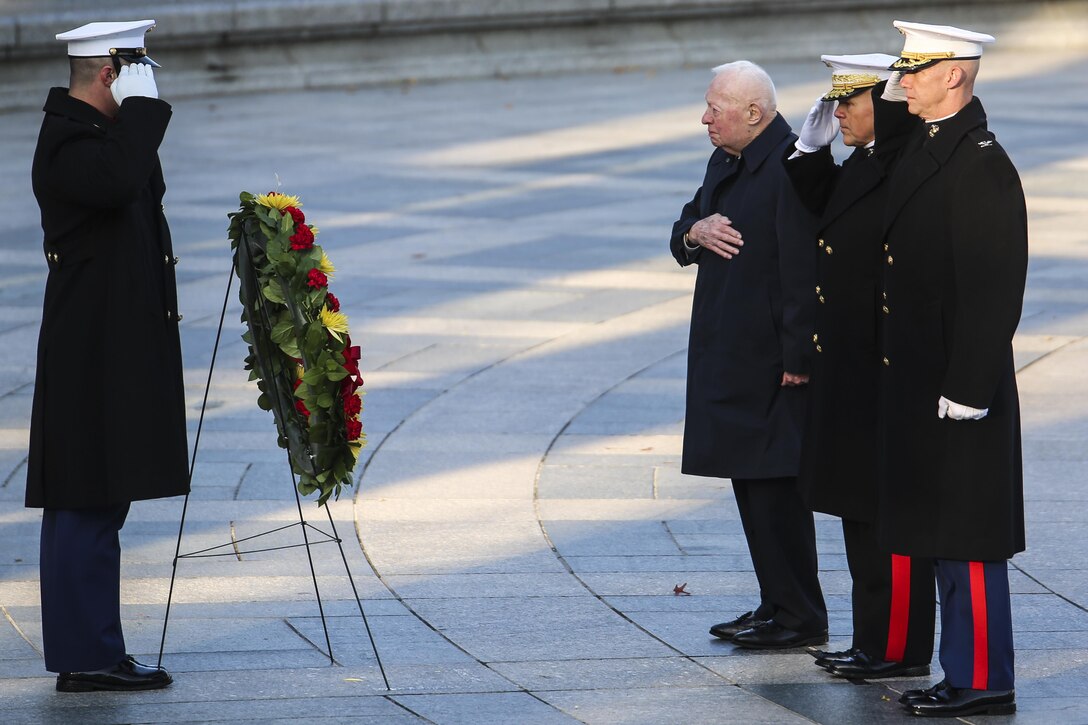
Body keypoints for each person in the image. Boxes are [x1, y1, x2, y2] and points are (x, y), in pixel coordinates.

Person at [28, 19, 189, 692]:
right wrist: (147, 110)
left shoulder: (96, 137)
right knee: (86, 500)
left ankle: (92, 648)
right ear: (107, 75)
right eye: (136, 68)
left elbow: (132, 184)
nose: (147, 82)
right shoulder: (70, 143)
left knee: (97, 497)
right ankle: (88, 655)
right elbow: (121, 179)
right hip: (86, 350)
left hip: (104, 343)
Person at [877, 21, 1026, 717]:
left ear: (954, 76)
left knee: (967, 536)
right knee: (939, 530)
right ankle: (959, 668)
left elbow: (994, 287)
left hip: (960, 386)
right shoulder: (930, 146)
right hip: (919, 380)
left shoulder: (982, 162)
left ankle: (983, 677)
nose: (900, 79)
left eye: (915, 67)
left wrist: (967, 389)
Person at [784, 54, 936, 680]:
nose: (838, 112)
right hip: (848, 372)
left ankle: (897, 648)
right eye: (834, 102)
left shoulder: (905, 167)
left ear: (889, 103)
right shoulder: (867, 162)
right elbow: (830, 211)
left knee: (886, 524)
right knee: (857, 516)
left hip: (881, 374)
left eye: (850, 101)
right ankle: (872, 640)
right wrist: (809, 151)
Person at [670, 61, 826, 650]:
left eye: (716, 108)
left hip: (772, 361)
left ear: (755, 114)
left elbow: (802, 268)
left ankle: (800, 614)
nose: (705, 117)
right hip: (727, 352)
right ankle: (775, 603)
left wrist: (799, 355)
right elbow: (684, 223)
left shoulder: (791, 167)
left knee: (777, 489)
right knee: (750, 485)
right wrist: (695, 232)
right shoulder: (727, 160)